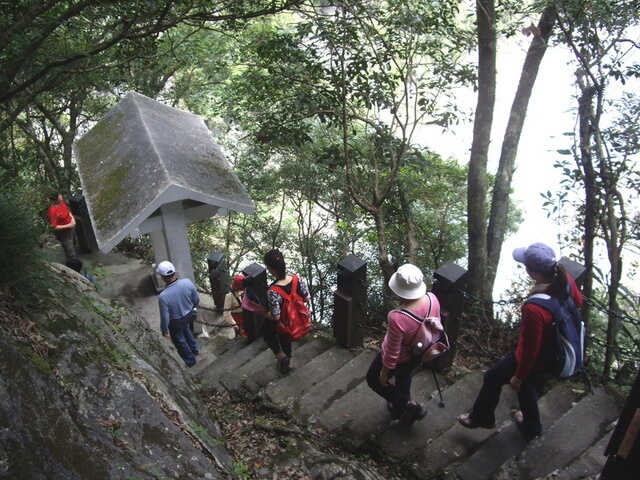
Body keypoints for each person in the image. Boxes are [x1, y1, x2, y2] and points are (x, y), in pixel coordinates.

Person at [457, 242, 583, 441]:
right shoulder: (565, 279)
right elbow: (577, 303)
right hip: (553, 351)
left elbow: (530, 350)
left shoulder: (534, 308)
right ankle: (530, 426)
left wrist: (518, 375)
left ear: (532, 272)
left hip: (537, 358)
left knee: (494, 377)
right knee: (528, 387)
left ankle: (482, 417)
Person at [366, 263, 440, 426]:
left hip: (400, 358)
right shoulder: (432, 299)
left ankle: (409, 406)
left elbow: (392, 353)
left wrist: (384, 373)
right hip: (418, 352)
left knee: (373, 379)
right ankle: (401, 410)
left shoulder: (397, 317)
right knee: (404, 377)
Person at [258, 249, 310, 375]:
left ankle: (282, 358)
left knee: (268, 329)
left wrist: (261, 312)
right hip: (298, 321)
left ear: (270, 269)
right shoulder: (298, 279)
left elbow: (276, 317)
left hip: (284, 325)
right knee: (286, 338)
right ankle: (288, 359)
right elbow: (306, 298)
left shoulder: (273, 291)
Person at [156, 261, 201, 368]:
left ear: (162, 277)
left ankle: (191, 362)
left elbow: (165, 316)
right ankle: (196, 350)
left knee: (180, 340)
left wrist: (164, 330)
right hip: (190, 314)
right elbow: (196, 299)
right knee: (186, 329)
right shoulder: (187, 282)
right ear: (174, 272)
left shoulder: (163, 296)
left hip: (176, 321)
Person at [47, 192, 77, 262]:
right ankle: (74, 266)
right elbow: (54, 227)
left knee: (73, 243)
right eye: (59, 196)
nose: (61, 196)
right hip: (63, 233)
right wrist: (69, 225)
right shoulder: (52, 210)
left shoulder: (62, 202)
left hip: (71, 228)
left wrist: (72, 218)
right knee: (70, 252)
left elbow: (67, 211)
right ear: (56, 199)